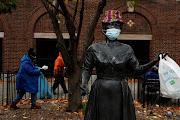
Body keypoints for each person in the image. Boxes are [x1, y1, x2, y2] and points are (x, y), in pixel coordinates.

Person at [80, 10, 167, 120]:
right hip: (100, 89)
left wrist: (154, 61)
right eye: (110, 25)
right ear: (104, 28)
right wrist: (83, 83)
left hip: (119, 90)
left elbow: (138, 70)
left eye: (116, 25)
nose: (113, 29)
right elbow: (86, 69)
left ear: (120, 28)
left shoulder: (127, 49)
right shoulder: (94, 49)